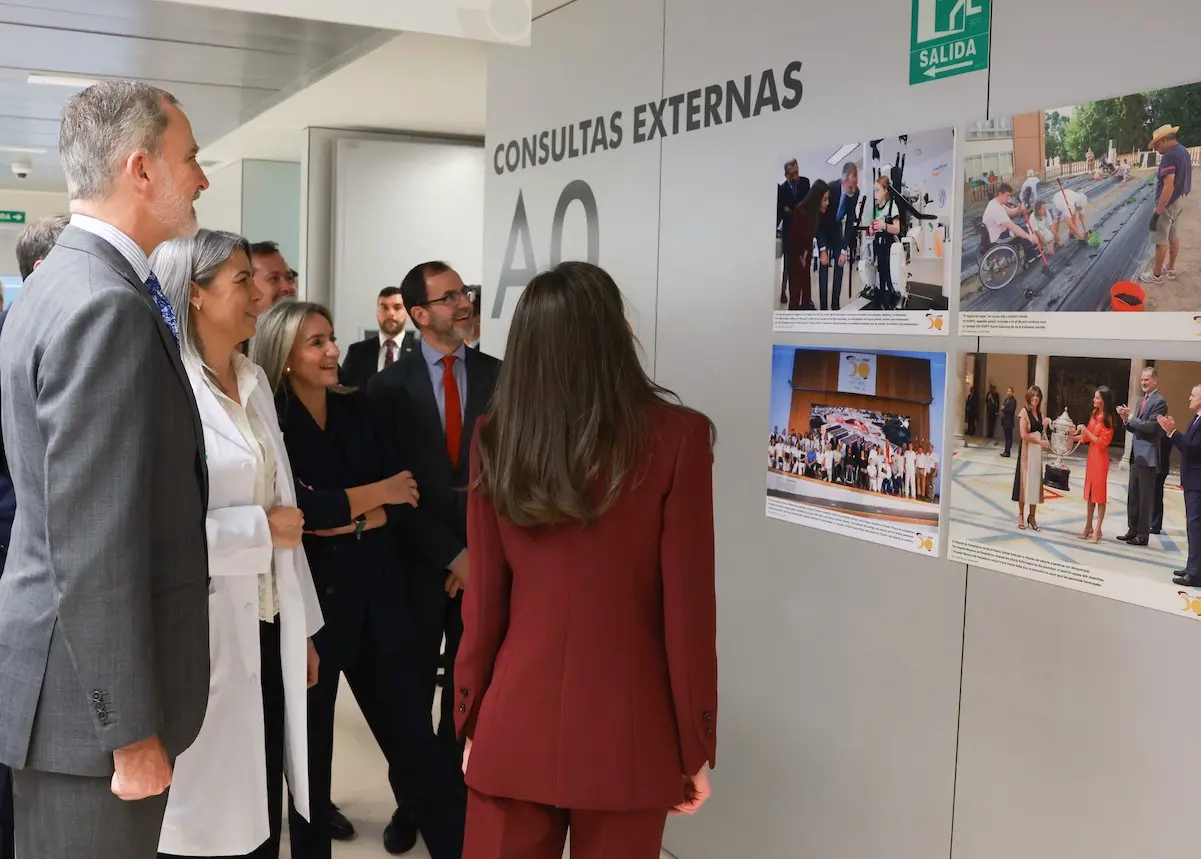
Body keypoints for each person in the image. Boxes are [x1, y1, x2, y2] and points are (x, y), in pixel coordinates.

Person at [0, 80, 211, 858]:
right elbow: (92, 544)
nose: (201, 177)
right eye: (190, 158)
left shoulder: (63, 283)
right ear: (141, 169)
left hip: (69, 701)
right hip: (87, 720)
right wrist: (127, 733)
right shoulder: (103, 304)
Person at [455, 261, 717, 859]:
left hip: (514, 717)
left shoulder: (498, 436)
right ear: (614, 333)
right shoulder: (679, 437)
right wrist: (692, 743)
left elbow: (485, 600)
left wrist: (472, 717)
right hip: (632, 728)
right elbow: (688, 613)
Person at [252, 301, 467, 859]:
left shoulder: (358, 409)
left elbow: (405, 495)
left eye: (330, 338)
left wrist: (346, 514)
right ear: (284, 358)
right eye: (315, 344)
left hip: (378, 602)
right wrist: (369, 502)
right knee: (310, 761)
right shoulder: (270, 418)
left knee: (415, 744)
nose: (331, 352)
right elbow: (302, 509)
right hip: (312, 614)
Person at [148, 230, 323, 858]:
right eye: (243, 282)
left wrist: (301, 626)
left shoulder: (252, 382)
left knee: (261, 812)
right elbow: (149, 534)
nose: (262, 295)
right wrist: (258, 529)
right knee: (205, 821)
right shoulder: (167, 391)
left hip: (268, 623)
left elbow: (287, 513)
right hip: (206, 632)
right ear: (194, 294)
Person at [367, 261, 501, 853]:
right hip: (416, 567)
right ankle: (411, 803)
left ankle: (458, 802)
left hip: (485, 565)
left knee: (469, 696)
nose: (464, 304)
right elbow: (390, 485)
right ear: (419, 314)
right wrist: (450, 554)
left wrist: (477, 555)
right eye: (449, 298)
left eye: (464, 294)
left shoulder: (502, 375)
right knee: (410, 694)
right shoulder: (386, 390)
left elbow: (509, 477)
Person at [1116, 366, 1167, 547]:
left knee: (1145, 497)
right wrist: (1125, 418)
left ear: (1154, 381)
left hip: (1149, 456)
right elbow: (1134, 427)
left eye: (1146, 380)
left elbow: (1150, 427)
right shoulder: (1140, 401)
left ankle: (1143, 535)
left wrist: (1131, 417)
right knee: (1133, 496)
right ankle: (1132, 530)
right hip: (1136, 455)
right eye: (1142, 380)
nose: (1143, 383)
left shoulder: (1160, 402)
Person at [1158, 386, 1201, 587]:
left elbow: (1192, 450)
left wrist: (1173, 432)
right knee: (1193, 527)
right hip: (1192, 481)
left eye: (1193, 394)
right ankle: (1192, 567)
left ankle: (1195, 573)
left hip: (1198, 483)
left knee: (1196, 527)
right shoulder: (1196, 418)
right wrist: (1174, 433)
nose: (1189, 397)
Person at [1142, 124, 1192, 285]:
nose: (1156, 149)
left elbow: (1168, 186)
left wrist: (1158, 212)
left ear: (1164, 140)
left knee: (1161, 240)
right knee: (1174, 236)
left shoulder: (1169, 156)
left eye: (1156, 144)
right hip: (1181, 199)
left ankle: (1156, 275)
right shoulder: (1183, 151)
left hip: (1169, 203)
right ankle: (1170, 269)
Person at [339, 286, 417, 389]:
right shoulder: (356, 352)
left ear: (407, 312)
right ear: (377, 313)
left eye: (397, 307)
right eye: (384, 307)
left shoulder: (420, 351)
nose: (390, 313)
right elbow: (345, 391)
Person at [1070, 387, 1116, 544]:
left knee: (1099, 496)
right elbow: (1086, 437)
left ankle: (1097, 530)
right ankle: (1088, 527)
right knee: (1090, 495)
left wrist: (1087, 432)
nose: (1094, 400)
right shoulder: (1094, 415)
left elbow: (1102, 442)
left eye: (1096, 398)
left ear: (1103, 400)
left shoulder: (1107, 418)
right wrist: (1073, 437)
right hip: (1092, 457)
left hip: (1101, 460)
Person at [785, 179, 829, 310]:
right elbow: (794, 242)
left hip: (805, 252)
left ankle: (806, 305)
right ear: (817, 198)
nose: (827, 203)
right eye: (825, 199)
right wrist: (802, 257)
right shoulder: (800, 212)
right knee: (796, 287)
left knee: (805, 281)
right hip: (796, 255)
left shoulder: (814, 214)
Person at [1012, 385, 1050, 531]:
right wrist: (1039, 442)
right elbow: (1024, 435)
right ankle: (1021, 514)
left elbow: (1039, 430)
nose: (1035, 398)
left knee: (1034, 483)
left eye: (1038, 396)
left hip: (1037, 454)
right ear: (1029, 396)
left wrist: (1044, 424)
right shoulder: (1024, 412)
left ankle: (1032, 516)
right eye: (1033, 395)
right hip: (1027, 452)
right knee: (1024, 483)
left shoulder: (1039, 413)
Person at [1000, 387, 1017, 457]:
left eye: (1010, 391)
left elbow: (1011, 410)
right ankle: (1005, 451)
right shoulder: (1006, 399)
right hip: (1005, 420)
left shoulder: (1013, 401)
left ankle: (1008, 452)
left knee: (1009, 437)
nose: (1009, 393)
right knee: (1006, 437)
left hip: (1009, 421)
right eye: (1008, 391)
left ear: (1012, 392)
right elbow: (1003, 406)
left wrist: (1004, 409)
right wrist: (1002, 408)